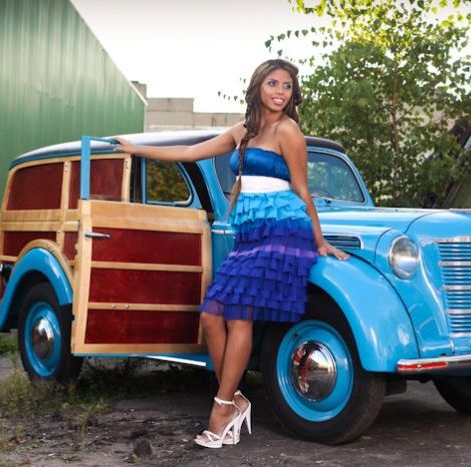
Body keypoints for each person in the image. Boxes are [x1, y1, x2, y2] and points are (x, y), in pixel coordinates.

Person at [113, 58, 349, 448]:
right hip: (250, 233)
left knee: (240, 317)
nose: (279, 91)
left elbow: (302, 189)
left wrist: (320, 241)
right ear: (258, 86)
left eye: (287, 86)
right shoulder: (244, 131)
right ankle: (236, 398)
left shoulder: (289, 130)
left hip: (281, 232)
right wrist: (139, 149)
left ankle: (222, 408)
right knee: (211, 314)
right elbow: (192, 153)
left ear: (293, 94)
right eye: (273, 83)